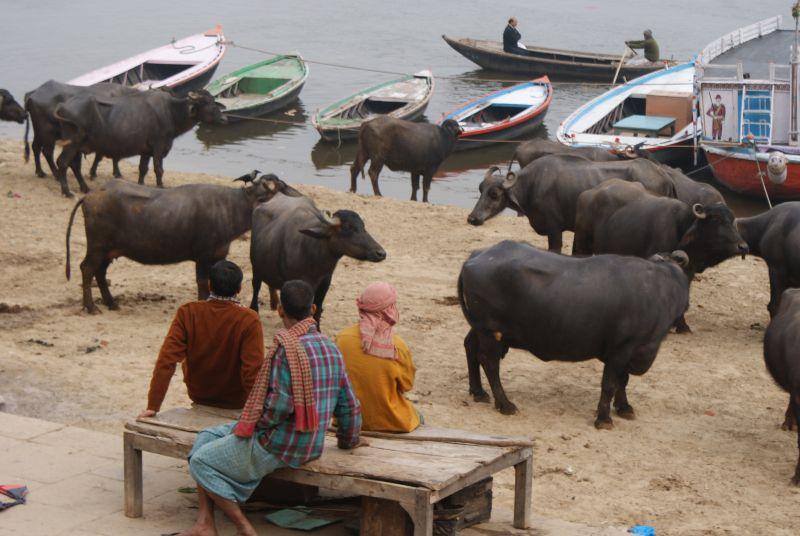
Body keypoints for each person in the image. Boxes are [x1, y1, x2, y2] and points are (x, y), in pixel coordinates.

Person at [178, 280, 362, 536]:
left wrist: (253, 427)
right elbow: (349, 405)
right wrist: (348, 441)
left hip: (279, 444)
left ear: (280, 310)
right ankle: (205, 523)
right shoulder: (331, 348)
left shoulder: (286, 349)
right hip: (312, 442)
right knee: (205, 437)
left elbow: (278, 409)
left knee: (200, 461)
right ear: (313, 308)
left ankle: (244, 527)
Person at [139, 260, 264, 419]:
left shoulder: (188, 312)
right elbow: (253, 371)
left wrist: (153, 406)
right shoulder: (249, 319)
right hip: (236, 402)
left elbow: (166, 360)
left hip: (199, 397)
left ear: (209, 285)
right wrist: (258, 413)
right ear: (239, 289)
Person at [336, 282, 420, 433]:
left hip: (348, 420)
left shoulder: (342, 339)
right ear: (389, 310)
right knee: (420, 417)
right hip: (391, 421)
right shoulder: (397, 346)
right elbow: (407, 385)